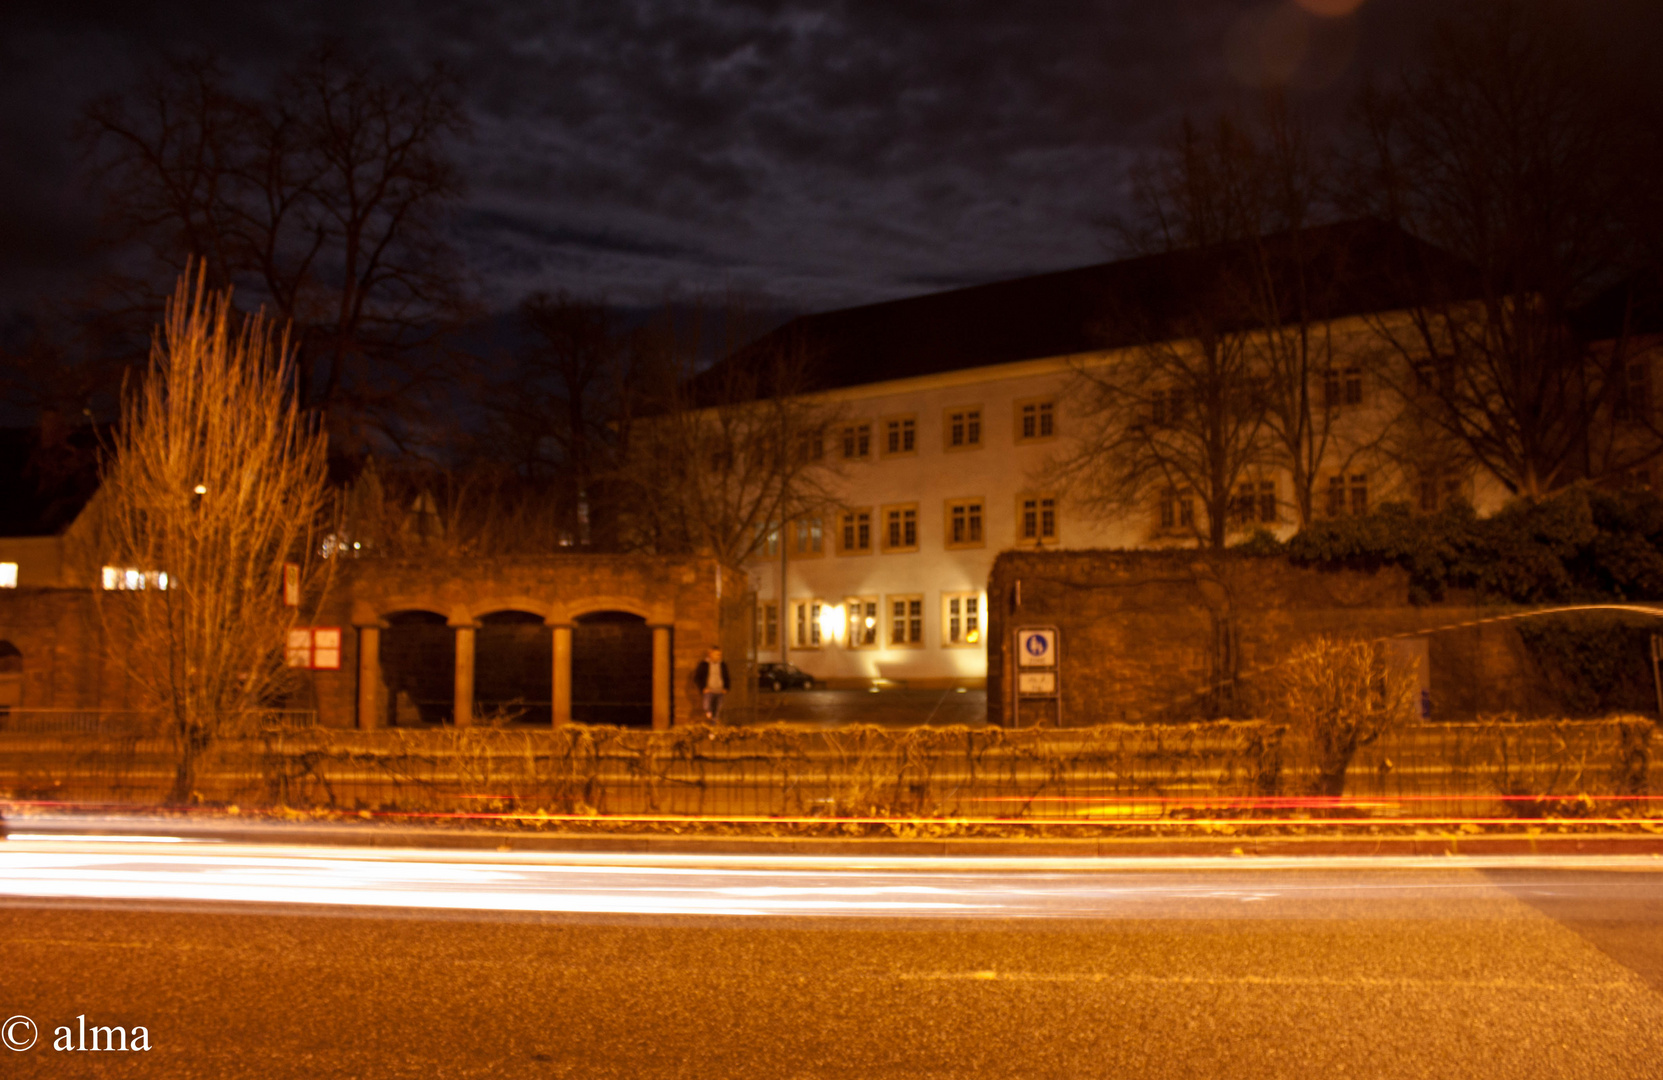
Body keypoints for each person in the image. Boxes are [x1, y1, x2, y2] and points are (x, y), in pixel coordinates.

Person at [692, 646, 731, 723]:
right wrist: (703, 687)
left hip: (720, 690)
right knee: (707, 706)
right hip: (709, 690)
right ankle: (709, 715)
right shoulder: (704, 664)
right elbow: (698, 677)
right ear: (710, 654)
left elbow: (726, 676)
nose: (719, 656)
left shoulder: (722, 664)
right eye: (716, 654)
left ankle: (713, 725)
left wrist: (726, 688)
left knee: (718, 709)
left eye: (720, 654)